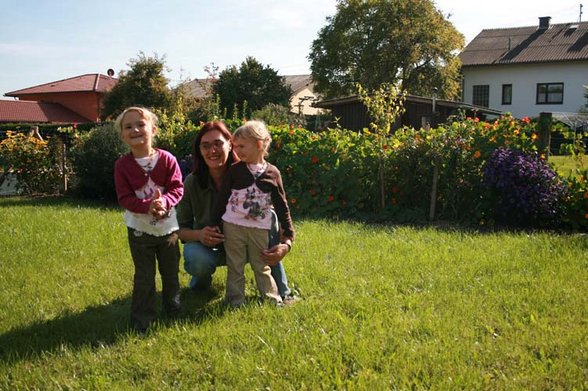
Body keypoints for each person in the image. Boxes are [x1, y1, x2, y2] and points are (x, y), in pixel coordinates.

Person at [176, 121, 295, 302]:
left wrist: (286, 243)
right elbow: (179, 229)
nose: (212, 150)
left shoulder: (255, 172)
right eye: (205, 146)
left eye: (218, 143)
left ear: (228, 145)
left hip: (253, 238)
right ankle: (203, 287)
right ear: (199, 151)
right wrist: (200, 234)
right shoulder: (193, 182)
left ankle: (280, 292)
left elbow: (281, 205)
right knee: (197, 258)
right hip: (214, 245)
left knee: (269, 217)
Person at [114, 106, 183, 333]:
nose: (135, 129)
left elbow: (177, 188)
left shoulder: (167, 159)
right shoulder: (122, 165)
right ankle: (142, 320)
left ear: (153, 130)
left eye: (141, 124)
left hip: (168, 228)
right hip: (139, 230)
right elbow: (125, 198)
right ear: (123, 135)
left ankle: (173, 310)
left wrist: (165, 203)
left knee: (171, 272)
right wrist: (147, 206)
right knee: (144, 276)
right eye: (128, 126)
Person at [211, 120, 295, 307]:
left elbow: (282, 205)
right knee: (235, 266)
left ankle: (272, 299)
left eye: (241, 146)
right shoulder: (235, 171)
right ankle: (234, 301)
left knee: (262, 265)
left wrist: (288, 231)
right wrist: (214, 223)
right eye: (234, 146)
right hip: (233, 226)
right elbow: (222, 198)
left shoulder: (273, 173)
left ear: (258, 144)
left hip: (260, 228)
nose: (237, 151)